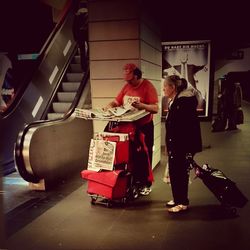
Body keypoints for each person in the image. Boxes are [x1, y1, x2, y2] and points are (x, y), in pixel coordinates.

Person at [104, 63, 159, 195]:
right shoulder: (127, 86)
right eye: (126, 80)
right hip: (129, 127)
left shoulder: (148, 86)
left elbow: (156, 108)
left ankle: (146, 183)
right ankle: (134, 182)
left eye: (130, 79)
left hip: (144, 127)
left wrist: (142, 105)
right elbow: (117, 101)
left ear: (137, 75)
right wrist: (109, 106)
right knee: (131, 156)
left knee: (144, 156)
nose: (128, 82)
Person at [163, 75, 202, 213]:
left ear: (173, 87)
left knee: (180, 173)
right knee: (174, 172)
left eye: (165, 87)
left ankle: (182, 202)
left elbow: (183, 128)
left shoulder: (183, 102)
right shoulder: (175, 101)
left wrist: (179, 148)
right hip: (176, 144)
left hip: (182, 145)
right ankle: (177, 198)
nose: (163, 90)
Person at [72, 7, 88, 72]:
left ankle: (84, 67)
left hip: (80, 36)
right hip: (87, 34)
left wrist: (75, 38)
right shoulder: (89, 14)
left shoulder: (77, 16)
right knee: (90, 48)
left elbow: (74, 27)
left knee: (82, 51)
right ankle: (89, 61)